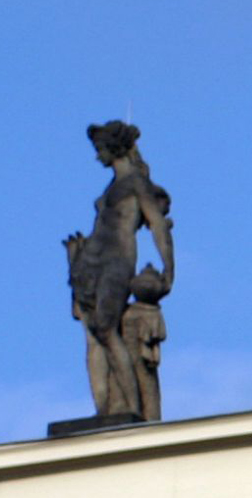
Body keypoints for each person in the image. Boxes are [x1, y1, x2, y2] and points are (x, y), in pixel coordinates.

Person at [65, 121, 173, 421]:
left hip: (116, 262)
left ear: (115, 148)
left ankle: (129, 407)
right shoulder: (112, 186)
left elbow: (158, 226)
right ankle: (103, 410)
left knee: (105, 328)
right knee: (92, 332)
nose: (97, 155)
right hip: (91, 262)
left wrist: (168, 268)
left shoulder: (136, 184)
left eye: (100, 149)